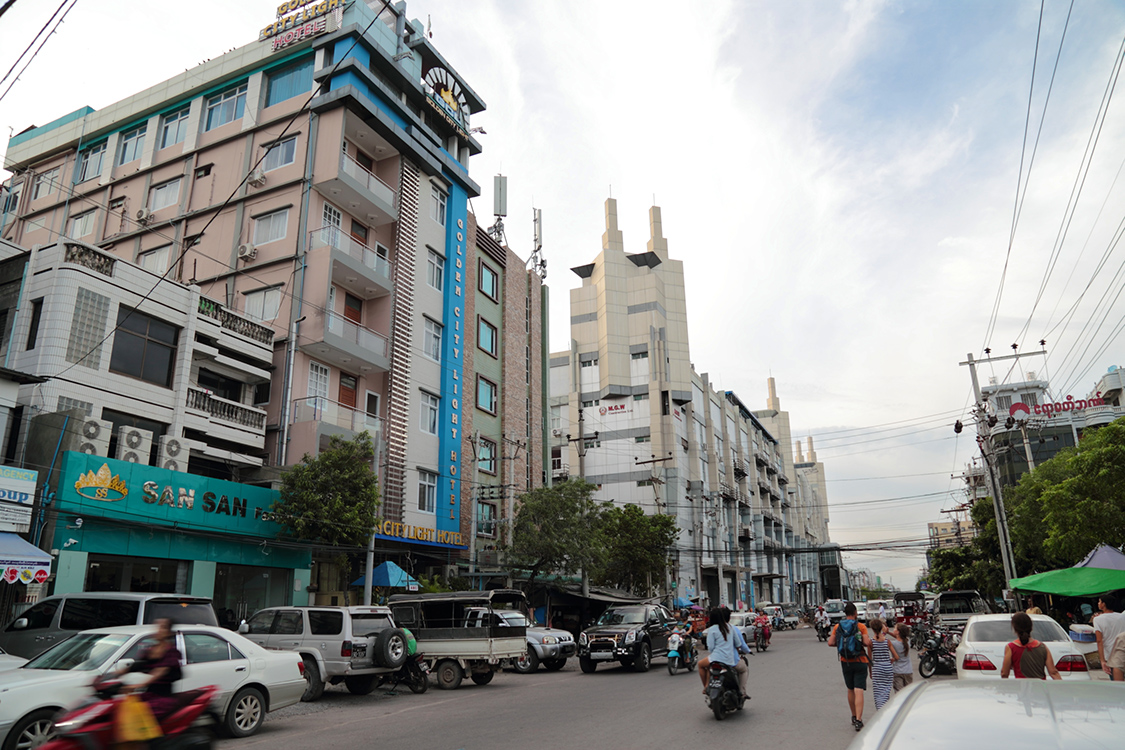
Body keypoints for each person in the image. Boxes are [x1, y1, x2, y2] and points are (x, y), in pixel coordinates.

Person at [120, 618, 183, 721]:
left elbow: (159, 672)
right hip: (148, 694)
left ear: (168, 632)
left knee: (139, 717)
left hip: (163, 698)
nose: (157, 630)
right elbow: (137, 665)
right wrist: (114, 675)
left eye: (162, 627)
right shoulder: (151, 650)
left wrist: (136, 686)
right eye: (156, 626)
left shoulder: (171, 651)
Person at [828, 602, 872, 732]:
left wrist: (843, 645)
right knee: (859, 690)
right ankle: (859, 719)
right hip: (860, 660)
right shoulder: (861, 627)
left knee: (850, 689)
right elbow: (866, 643)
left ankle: (853, 715)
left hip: (845, 661)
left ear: (845, 613)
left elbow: (830, 643)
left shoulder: (838, 626)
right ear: (855, 613)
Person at [697, 607, 750, 699]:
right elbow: (738, 644)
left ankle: (706, 687)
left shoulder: (712, 629)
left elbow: (711, 647)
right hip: (730, 660)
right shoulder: (730, 627)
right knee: (744, 669)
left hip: (715, 659)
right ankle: (742, 691)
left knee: (701, 665)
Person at [1000, 612, 1061, 680]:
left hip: (1023, 688)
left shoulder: (1011, 648)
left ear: (1014, 628)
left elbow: (1004, 673)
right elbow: (1053, 672)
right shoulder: (1042, 647)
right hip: (1041, 688)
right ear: (1031, 627)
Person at [1092, 593, 1125, 678]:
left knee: (1116, 684)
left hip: (1110, 656)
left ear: (1104, 604)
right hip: (1122, 652)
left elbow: (1099, 641)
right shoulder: (1121, 617)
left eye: (1099, 602)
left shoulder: (1097, 620)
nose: (1098, 604)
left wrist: (1102, 661)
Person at [868, 618, 896, 710]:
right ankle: (885, 709)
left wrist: (870, 672)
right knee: (886, 692)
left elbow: (870, 659)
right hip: (888, 668)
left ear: (872, 629)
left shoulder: (871, 642)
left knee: (878, 693)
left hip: (877, 668)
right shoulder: (887, 641)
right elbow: (895, 656)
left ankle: (880, 711)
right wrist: (891, 660)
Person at [890, 622, 913, 692]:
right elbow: (900, 637)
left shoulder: (893, 643)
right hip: (908, 671)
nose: (893, 630)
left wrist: (886, 632)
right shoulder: (907, 642)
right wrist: (888, 632)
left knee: (899, 694)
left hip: (897, 671)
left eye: (894, 628)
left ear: (898, 632)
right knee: (908, 693)